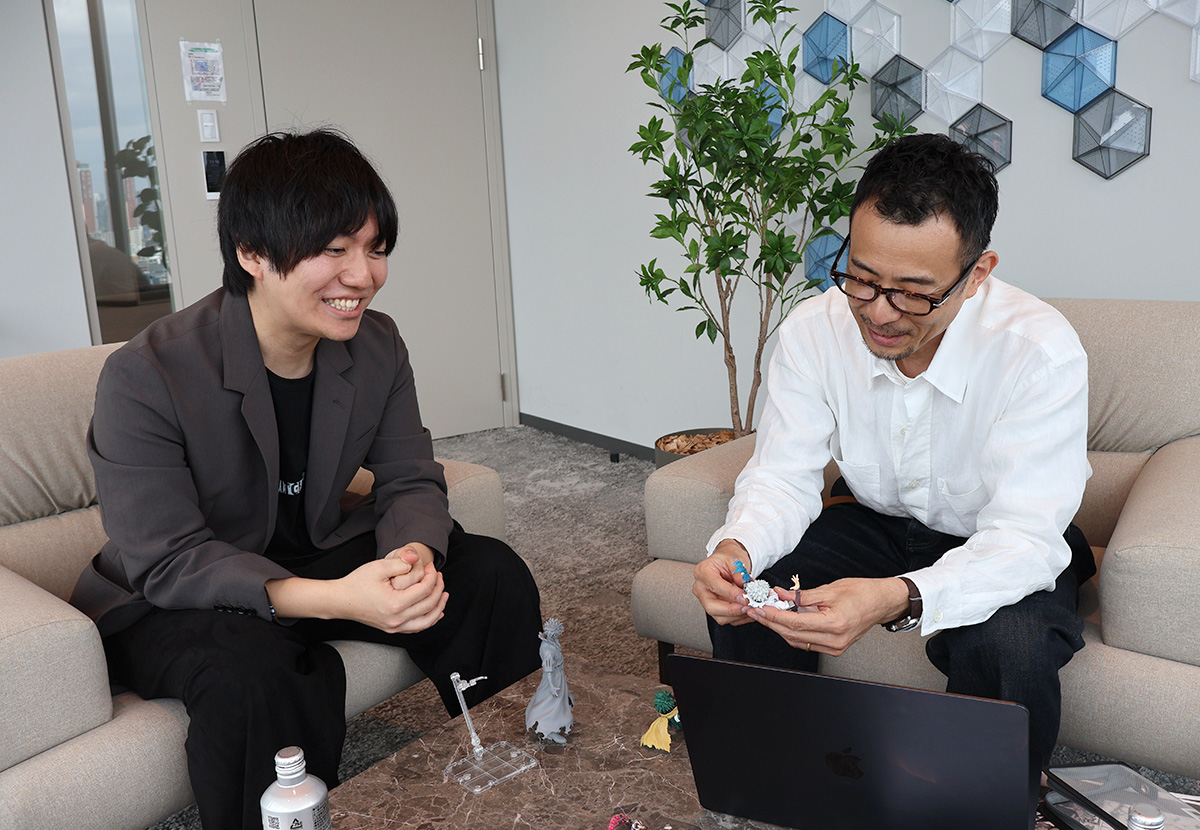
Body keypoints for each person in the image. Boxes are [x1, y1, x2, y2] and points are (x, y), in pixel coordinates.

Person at [70, 129, 543, 829]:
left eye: (375, 249)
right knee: (252, 673)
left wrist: (411, 560)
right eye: (334, 249)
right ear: (252, 253)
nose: (363, 276)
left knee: (489, 575)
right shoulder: (147, 375)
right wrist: (339, 598)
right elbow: (167, 559)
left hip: (309, 550)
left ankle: (528, 779)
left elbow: (410, 478)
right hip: (178, 595)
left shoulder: (377, 345)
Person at [691, 133, 1095, 809]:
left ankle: (988, 807)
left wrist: (896, 597)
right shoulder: (812, 331)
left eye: (913, 294)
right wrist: (735, 549)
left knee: (1012, 645)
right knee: (753, 596)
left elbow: (1025, 538)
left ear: (978, 273)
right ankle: (780, 785)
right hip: (872, 519)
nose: (878, 312)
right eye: (862, 278)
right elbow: (784, 475)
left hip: (999, 538)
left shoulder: (1039, 352)